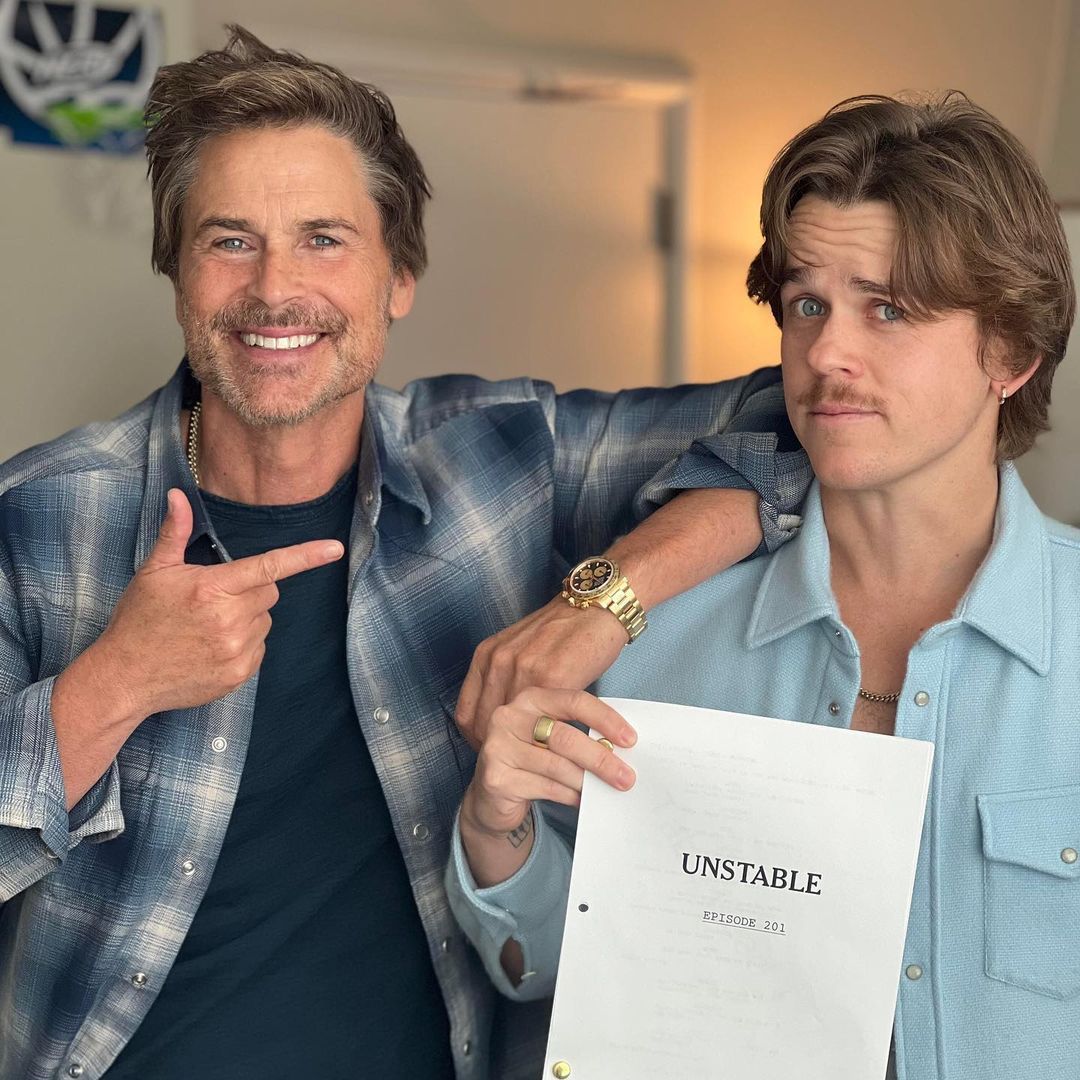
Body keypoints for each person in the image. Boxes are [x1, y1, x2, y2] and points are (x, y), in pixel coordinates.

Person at [0, 25, 811, 1080]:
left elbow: (811, 424)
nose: (274, 289)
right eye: (229, 239)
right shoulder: (40, 515)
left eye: (325, 239)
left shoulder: (507, 461)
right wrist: (111, 685)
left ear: (401, 276)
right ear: (177, 271)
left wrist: (604, 598)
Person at [449, 92, 1080, 1080]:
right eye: (808, 305)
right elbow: (572, 975)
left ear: (1010, 352)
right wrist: (500, 829)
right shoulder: (656, 651)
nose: (827, 352)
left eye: (890, 308)